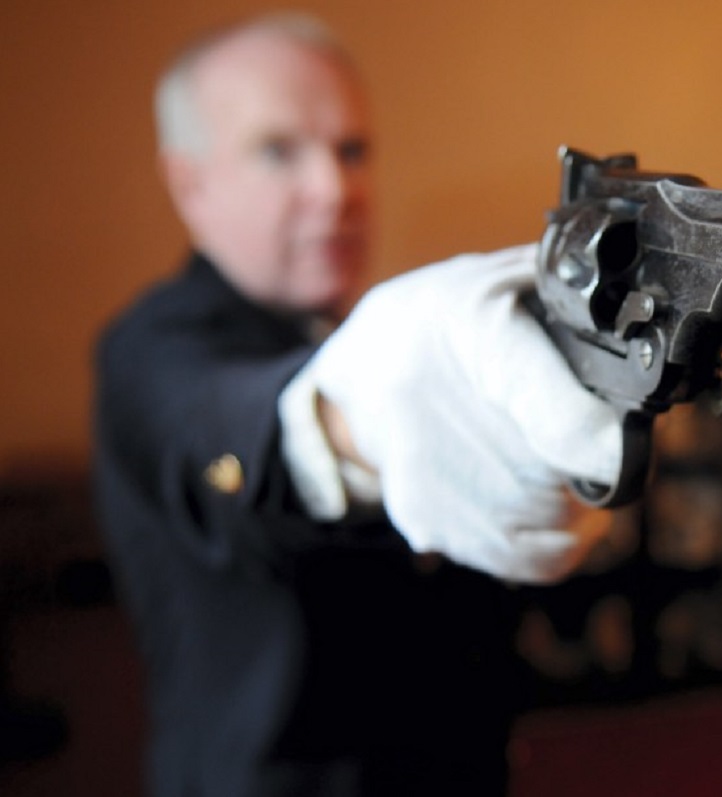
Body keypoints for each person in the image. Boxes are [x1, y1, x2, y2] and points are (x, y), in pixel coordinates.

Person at [92, 12, 621, 797]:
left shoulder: (357, 330)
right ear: (189, 182)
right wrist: (355, 418)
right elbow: (227, 428)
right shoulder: (151, 348)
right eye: (278, 151)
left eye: (351, 150)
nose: (336, 190)